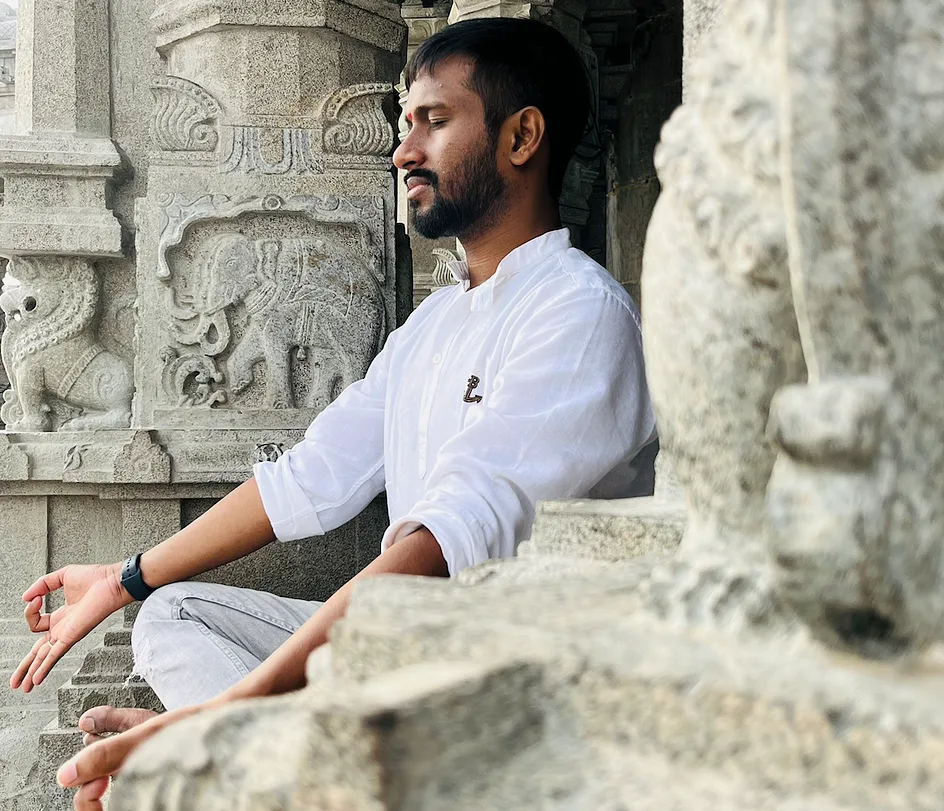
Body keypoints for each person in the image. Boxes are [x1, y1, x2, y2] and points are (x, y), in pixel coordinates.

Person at [10, 17, 657, 809]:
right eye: (404, 123)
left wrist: (222, 710)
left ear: (521, 137)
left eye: (434, 121)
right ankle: (273, 760)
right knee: (172, 611)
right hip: (402, 654)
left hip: (504, 684)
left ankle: (244, 758)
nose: (403, 150)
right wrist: (123, 578)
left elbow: (444, 540)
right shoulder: (435, 322)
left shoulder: (580, 314)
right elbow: (308, 478)